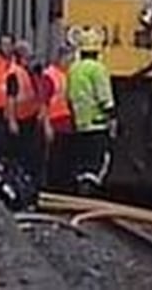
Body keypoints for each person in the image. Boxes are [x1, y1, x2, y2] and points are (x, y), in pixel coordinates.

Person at [67, 28, 116, 195]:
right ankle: (92, 189)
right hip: (97, 122)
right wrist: (112, 115)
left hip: (80, 122)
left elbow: (69, 94)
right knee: (99, 158)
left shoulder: (74, 69)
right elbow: (104, 96)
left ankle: (81, 188)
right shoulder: (97, 69)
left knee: (82, 158)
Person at [5, 39, 45, 192]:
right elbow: (11, 98)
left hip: (29, 119)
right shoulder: (14, 74)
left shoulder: (26, 72)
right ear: (20, 57)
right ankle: (18, 184)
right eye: (28, 57)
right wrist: (12, 121)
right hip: (20, 120)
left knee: (29, 155)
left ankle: (25, 183)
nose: (30, 60)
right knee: (20, 156)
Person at [39, 45, 74, 191]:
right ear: (61, 57)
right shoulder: (50, 75)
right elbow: (43, 101)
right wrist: (47, 125)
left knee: (63, 158)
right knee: (54, 158)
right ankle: (51, 187)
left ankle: (61, 186)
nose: (71, 62)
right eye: (69, 58)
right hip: (54, 122)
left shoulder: (64, 74)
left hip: (64, 122)